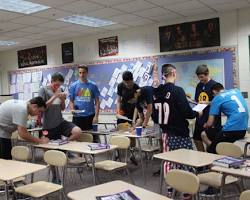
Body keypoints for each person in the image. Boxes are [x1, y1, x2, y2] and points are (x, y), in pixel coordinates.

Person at [153, 64, 201, 171]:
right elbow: (187, 113)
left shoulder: (156, 92)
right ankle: (188, 183)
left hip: (165, 132)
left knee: (169, 159)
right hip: (179, 132)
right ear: (174, 72)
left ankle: (170, 184)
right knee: (186, 159)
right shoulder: (178, 90)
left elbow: (154, 115)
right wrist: (197, 113)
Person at [202, 83, 249, 154]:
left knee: (205, 138)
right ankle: (217, 149)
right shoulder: (236, 91)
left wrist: (205, 125)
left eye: (213, 95)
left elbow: (210, 123)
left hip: (230, 131)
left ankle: (214, 150)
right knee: (216, 136)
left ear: (214, 92)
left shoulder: (217, 98)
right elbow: (225, 100)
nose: (214, 97)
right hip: (243, 131)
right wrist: (208, 103)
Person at [38, 72, 82, 141]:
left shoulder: (60, 89)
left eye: (59, 85)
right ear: (51, 81)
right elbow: (42, 108)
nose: (57, 87)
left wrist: (62, 99)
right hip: (48, 125)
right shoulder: (43, 90)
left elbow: (63, 108)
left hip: (60, 122)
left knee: (78, 132)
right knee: (51, 149)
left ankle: (65, 144)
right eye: (56, 85)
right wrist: (55, 96)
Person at [193, 65, 221, 152]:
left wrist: (207, 102)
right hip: (200, 117)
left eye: (202, 77)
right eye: (199, 77)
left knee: (208, 139)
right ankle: (202, 158)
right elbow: (198, 100)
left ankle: (212, 157)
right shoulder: (199, 85)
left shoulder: (215, 86)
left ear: (207, 74)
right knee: (196, 139)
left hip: (211, 118)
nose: (200, 79)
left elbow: (220, 102)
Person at [69, 65, 100, 142]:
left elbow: (97, 102)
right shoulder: (73, 86)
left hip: (90, 116)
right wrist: (72, 109)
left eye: (83, 72)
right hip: (77, 117)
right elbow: (71, 100)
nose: (82, 75)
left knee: (92, 138)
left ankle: (93, 154)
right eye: (80, 73)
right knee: (78, 138)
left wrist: (96, 116)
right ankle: (79, 154)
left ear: (87, 73)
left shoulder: (93, 85)